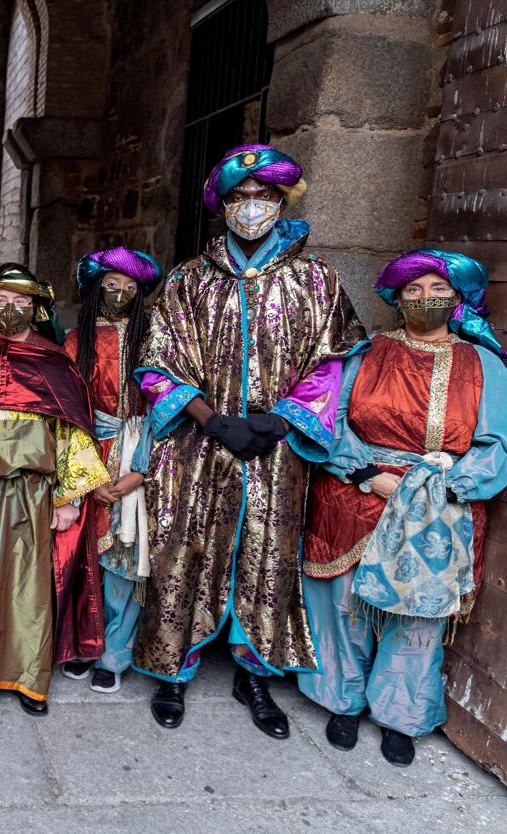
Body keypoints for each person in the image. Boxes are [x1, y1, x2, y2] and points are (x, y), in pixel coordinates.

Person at [135, 144, 364, 737]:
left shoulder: (317, 281)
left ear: (281, 202)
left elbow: (336, 360)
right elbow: (156, 361)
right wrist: (211, 420)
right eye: (240, 197)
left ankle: (255, 670)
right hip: (195, 443)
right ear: (223, 206)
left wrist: (278, 421)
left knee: (265, 551)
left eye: (264, 196)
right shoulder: (188, 280)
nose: (252, 207)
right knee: (182, 545)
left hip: (276, 448)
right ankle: (173, 667)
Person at [299, 249, 507, 766]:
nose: (425, 298)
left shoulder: (483, 363)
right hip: (356, 491)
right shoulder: (365, 353)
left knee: (416, 617)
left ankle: (399, 715)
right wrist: (368, 474)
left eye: (439, 290)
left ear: (458, 298)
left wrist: (443, 487)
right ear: (396, 297)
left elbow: (497, 442)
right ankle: (341, 701)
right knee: (345, 606)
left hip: (439, 502)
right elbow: (329, 418)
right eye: (414, 290)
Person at [0, 265, 110, 716]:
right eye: (0, 300)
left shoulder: (55, 362)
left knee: (29, 588)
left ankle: (29, 678)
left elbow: (74, 430)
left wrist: (70, 498)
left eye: (20, 303)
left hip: (34, 491)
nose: (10, 310)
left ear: (35, 309)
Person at [60, 248, 163, 694]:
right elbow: (65, 409)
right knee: (85, 557)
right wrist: (89, 475)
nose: (120, 293)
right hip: (87, 449)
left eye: (130, 286)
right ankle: (85, 642)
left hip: (140, 447)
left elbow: (167, 407)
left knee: (125, 560)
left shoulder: (155, 341)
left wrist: (140, 469)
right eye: (111, 283)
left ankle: (115, 652)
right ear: (95, 286)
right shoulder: (73, 340)